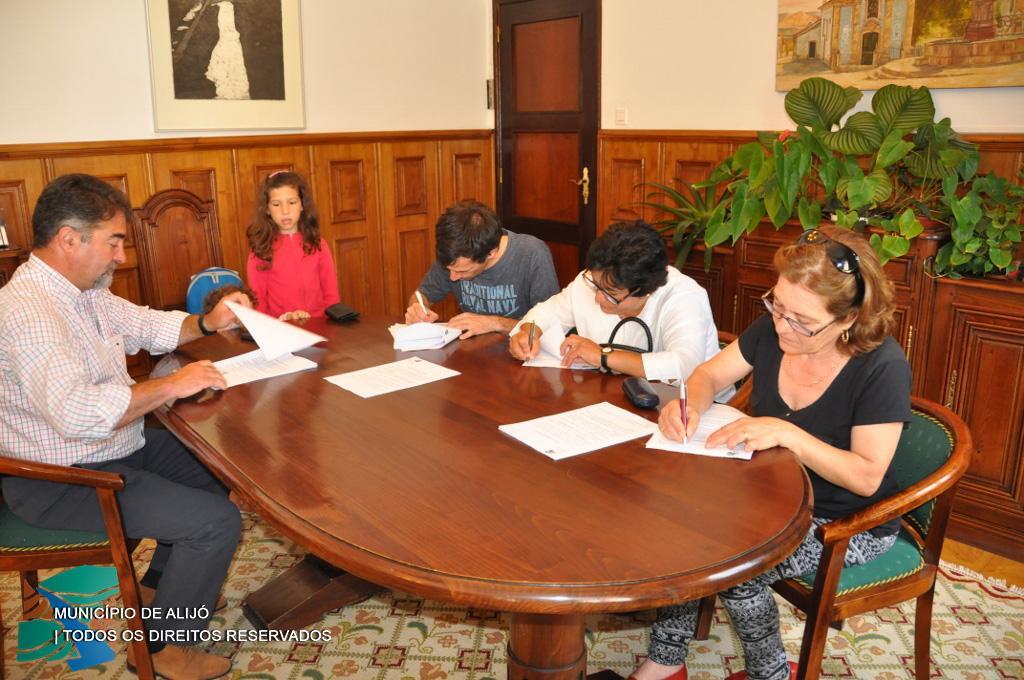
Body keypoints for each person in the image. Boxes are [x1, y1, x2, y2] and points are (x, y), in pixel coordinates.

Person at [633, 227, 912, 680]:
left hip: (844, 522)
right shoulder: (772, 329)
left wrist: (787, 433)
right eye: (777, 306)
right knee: (684, 535)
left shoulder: (882, 367)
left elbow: (866, 478)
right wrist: (689, 406)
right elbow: (708, 375)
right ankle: (665, 662)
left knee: (738, 570)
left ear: (847, 320)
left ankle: (771, 674)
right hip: (767, 496)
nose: (782, 326)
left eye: (801, 321)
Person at [0, 174, 250, 680]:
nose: (120, 255)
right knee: (216, 522)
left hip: (111, 446)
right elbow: (76, 414)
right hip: (61, 478)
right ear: (69, 239)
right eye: (113, 241)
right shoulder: (30, 312)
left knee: (217, 467)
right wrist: (170, 385)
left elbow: (147, 325)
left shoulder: (82, 291)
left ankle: (160, 594)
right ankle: (161, 652)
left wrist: (209, 321)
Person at [508, 220, 722, 382]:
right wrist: (528, 333)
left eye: (611, 293)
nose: (598, 297)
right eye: (595, 284)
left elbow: (683, 365)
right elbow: (546, 312)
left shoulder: (685, 296)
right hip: (611, 398)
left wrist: (603, 356)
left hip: (686, 407)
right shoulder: (594, 280)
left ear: (646, 290)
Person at [404, 201, 559, 338]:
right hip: (472, 350)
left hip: (520, 353)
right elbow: (422, 295)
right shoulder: (453, 255)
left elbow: (550, 325)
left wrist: (495, 323)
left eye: (462, 271)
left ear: (491, 253)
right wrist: (417, 308)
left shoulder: (532, 254)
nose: (452, 277)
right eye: (449, 269)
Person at [246, 171, 340, 321]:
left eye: (292, 202)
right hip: (281, 328)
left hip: (320, 326)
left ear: (302, 205)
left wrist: (334, 322)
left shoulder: (318, 243)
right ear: (267, 209)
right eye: (276, 204)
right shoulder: (260, 250)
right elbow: (259, 303)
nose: (285, 211)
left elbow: (331, 294)